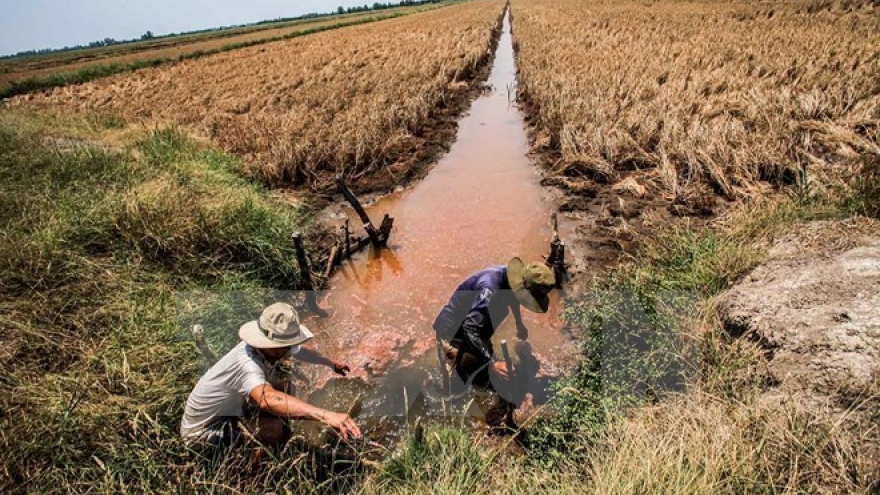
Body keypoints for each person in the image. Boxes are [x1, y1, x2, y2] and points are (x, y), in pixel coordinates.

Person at [181, 302, 362, 448]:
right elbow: (267, 398)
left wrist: (331, 363)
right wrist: (325, 414)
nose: (289, 350)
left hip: (229, 411)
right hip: (203, 433)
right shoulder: (247, 364)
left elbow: (301, 351)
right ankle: (258, 465)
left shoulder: (269, 348)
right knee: (273, 429)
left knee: (286, 387)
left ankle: (281, 437)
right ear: (269, 344)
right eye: (285, 347)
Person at [433, 257, 555, 430]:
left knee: (487, 370)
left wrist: (520, 323)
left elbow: (513, 299)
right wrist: (493, 364)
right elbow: (470, 330)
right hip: (454, 332)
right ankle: (444, 400)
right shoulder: (490, 287)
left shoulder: (512, 280)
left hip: (478, 329)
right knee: (462, 379)